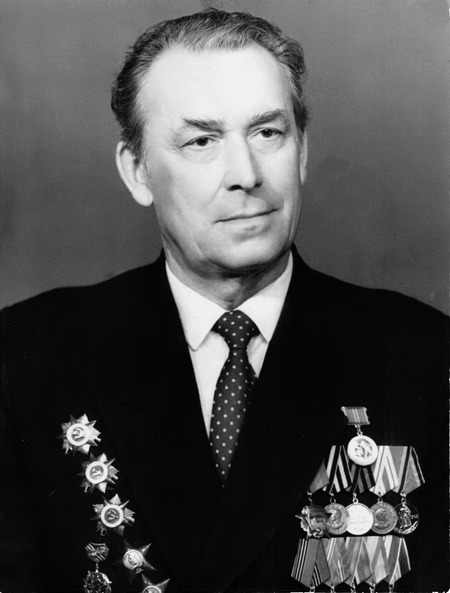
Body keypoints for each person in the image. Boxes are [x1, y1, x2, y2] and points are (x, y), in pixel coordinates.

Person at [0, 8, 448, 593]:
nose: (246, 174)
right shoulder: (27, 359)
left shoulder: (424, 355)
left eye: (268, 133)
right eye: (202, 141)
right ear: (137, 171)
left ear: (302, 151)